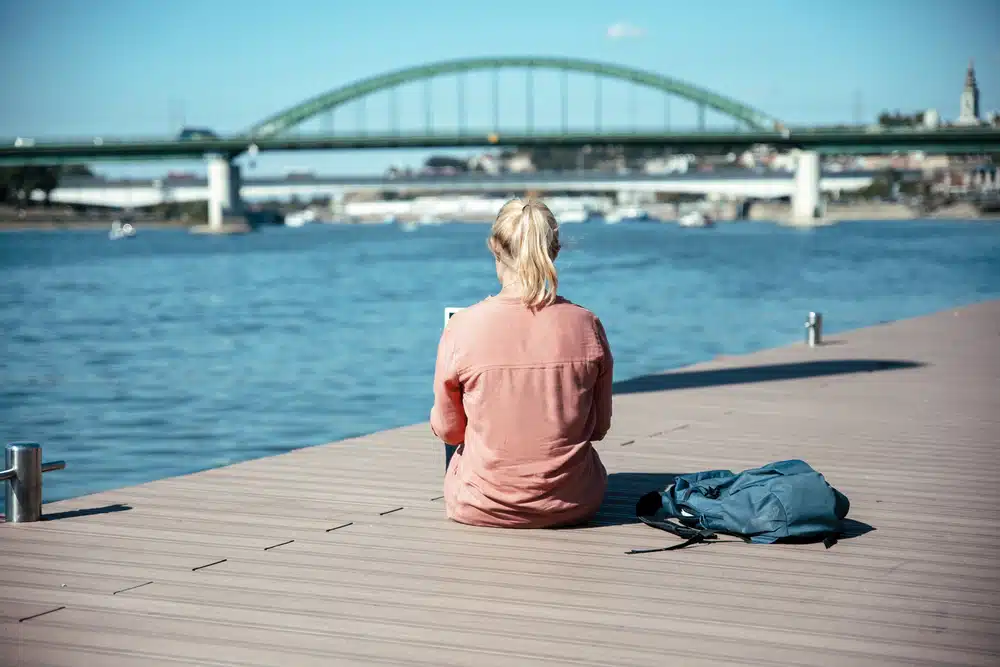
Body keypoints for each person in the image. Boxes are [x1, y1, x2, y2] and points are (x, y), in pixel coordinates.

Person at [430, 198, 613, 528]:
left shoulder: (463, 327)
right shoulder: (587, 324)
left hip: (479, 505)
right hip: (576, 502)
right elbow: (598, 429)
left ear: (494, 247)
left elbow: (449, 431)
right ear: (554, 251)